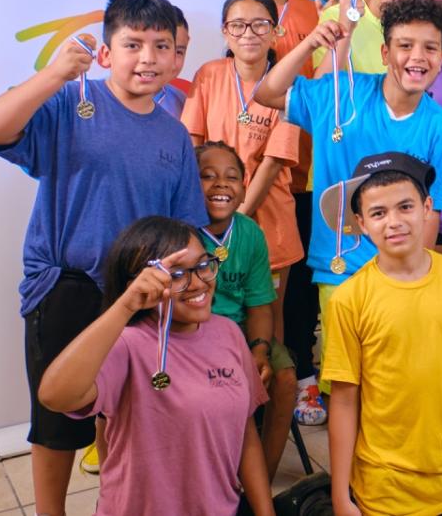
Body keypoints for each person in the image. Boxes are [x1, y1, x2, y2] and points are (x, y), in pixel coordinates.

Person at [0, 0, 207, 516]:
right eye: (132, 44)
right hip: (67, 287)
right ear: (106, 54)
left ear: (176, 59)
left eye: (161, 46)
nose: (147, 58)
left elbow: (184, 226)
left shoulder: (173, 133)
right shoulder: (68, 104)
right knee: (57, 421)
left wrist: (189, 281)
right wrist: (55, 74)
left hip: (141, 291)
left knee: (127, 413)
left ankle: (118, 503)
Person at [255, 0, 442, 404]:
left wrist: (415, 281)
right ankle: (348, 468)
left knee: (392, 383)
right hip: (341, 274)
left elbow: (433, 214)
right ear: (386, 52)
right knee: (345, 385)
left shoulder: (440, 126)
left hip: (400, 277)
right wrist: (310, 42)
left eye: (430, 48)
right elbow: (268, 92)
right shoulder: (339, 95)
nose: (416, 57)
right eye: (405, 46)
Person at [37, 217, 272, 516]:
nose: (198, 282)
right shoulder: (126, 345)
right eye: (175, 275)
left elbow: (246, 432)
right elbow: (54, 396)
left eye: (203, 265)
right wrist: (125, 306)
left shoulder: (228, 333)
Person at [322, 152, 442, 516]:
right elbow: (343, 400)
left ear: (427, 207)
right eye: (378, 213)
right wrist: (340, 494)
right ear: (360, 222)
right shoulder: (349, 300)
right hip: (382, 487)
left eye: (405, 206)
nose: (394, 222)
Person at [238, 0, 330, 423]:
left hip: (308, 172)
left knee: (301, 281)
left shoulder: (319, 13)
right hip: (252, 179)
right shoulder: (238, 13)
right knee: (259, 285)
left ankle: (303, 374)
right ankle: (263, 373)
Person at [181, 0, 304, 354]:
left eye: (259, 24)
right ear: (225, 32)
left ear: (276, 31)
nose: (248, 33)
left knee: (269, 316)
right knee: (208, 314)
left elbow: (273, 162)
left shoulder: (291, 84)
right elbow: (192, 144)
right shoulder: (209, 75)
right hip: (207, 222)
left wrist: (238, 221)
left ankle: (271, 394)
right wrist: (212, 217)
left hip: (270, 223)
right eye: (238, 25)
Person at [196, 141, 297, 482]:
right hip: (195, 334)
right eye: (207, 176)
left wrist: (259, 350)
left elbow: (259, 304)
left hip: (242, 329)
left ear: (243, 189)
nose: (220, 184)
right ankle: (212, 478)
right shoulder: (181, 231)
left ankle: (260, 481)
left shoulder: (250, 232)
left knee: (284, 379)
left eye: (231, 177)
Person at [153, 5, 190, 119]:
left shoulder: (183, 103)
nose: (170, 62)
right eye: (162, 47)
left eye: (179, 52)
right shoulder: (99, 99)